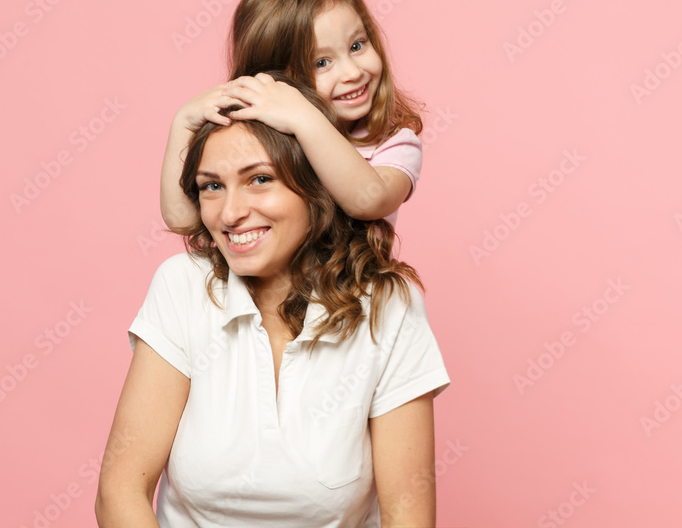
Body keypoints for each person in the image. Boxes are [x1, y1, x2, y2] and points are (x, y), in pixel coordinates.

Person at [98, 74, 448, 527]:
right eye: (211, 186)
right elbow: (120, 492)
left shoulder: (388, 308)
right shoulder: (183, 286)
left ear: (316, 187)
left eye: (260, 179)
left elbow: (408, 516)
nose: (230, 213)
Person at [161, 0, 424, 233]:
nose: (353, 72)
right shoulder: (251, 141)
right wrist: (182, 123)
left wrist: (304, 118)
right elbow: (184, 220)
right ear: (275, 79)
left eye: (357, 45)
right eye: (321, 63)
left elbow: (369, 201)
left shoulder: (394, 144)